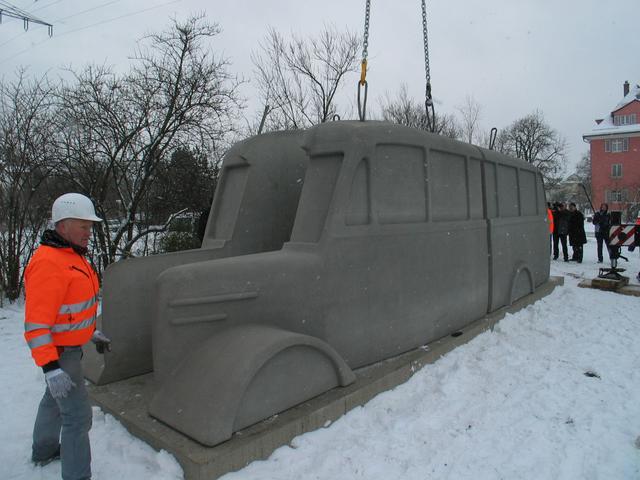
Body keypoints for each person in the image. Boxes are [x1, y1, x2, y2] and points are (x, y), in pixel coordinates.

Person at [24, 193, 111, 480]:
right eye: (83, 226)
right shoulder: (50, 264)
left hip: (69, 349)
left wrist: (91, 332)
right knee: (77, 418)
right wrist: (50, 368)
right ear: (63, 226)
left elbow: (70, 312)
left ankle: (44, 449)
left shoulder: (71, 256)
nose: (89, 232)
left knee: (53, 401)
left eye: (90, 226)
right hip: (61, 355)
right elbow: (37, 326)